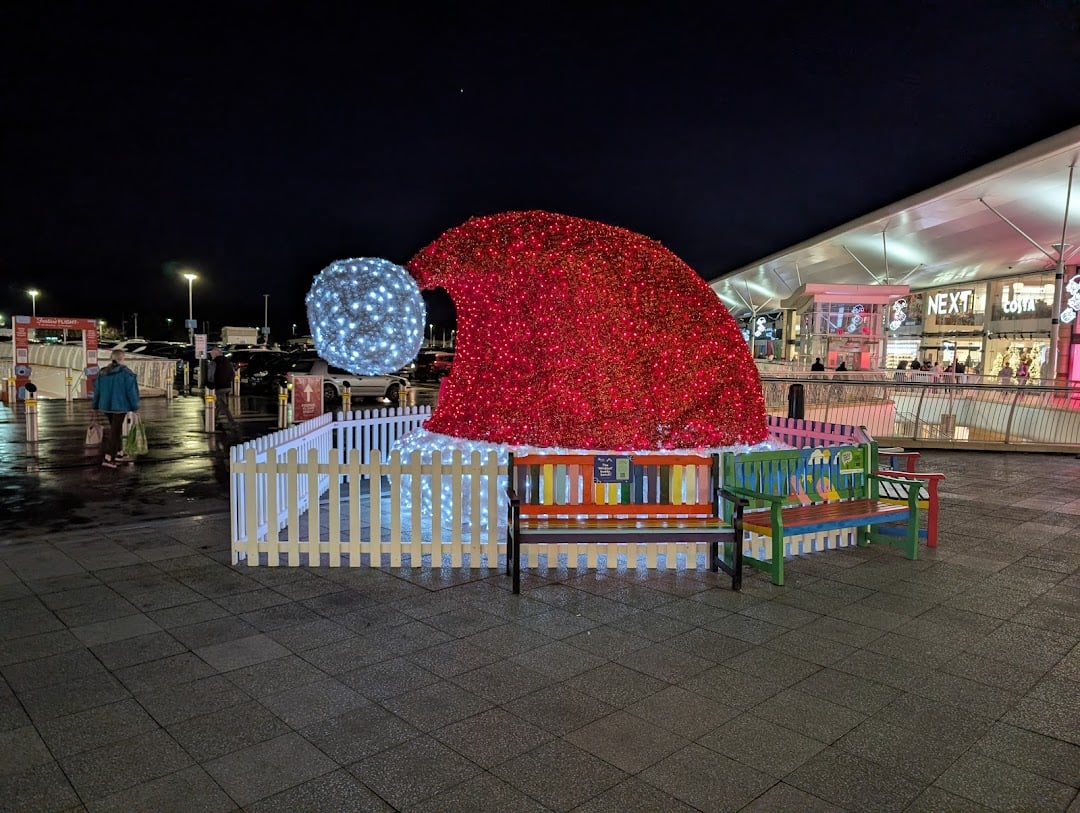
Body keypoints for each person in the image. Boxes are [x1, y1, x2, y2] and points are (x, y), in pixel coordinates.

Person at [91, 348, 139, 468]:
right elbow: (132, 392)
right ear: (122, 358)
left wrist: (95, 405)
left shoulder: (103, 372)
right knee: (115, 431)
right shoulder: (127, 373)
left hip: (106, 406)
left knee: (115, 429)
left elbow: (97, 391)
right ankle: (108, 457)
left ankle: (119, 453)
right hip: (120, 406)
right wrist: (135, 406)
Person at [208, 347, 238, 432]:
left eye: (212, 354)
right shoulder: (228, 362)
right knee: (219, 403)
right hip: (227, 386)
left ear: (216, 354)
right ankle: (214, 420)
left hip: (218, 387)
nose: (211, 355)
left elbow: (210, 375)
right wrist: (228, 381)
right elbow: (233, 374)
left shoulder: (213, 363)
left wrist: (209, 384)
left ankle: (232, 423)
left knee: (223, 405)